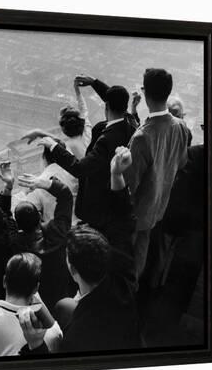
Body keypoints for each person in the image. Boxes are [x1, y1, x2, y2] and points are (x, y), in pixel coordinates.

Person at [18, 148, 141, 354]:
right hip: (131, 336)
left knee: (63, 306)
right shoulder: (125, 278)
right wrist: (116, 174)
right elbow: (123, 220)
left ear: (72, 270)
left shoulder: (79, 334)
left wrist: (35, 344)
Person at [31, 83, 137, 251]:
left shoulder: (104, 139)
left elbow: (80, 169)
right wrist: (94, 83)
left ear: (107, 105)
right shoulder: (130, 124)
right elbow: (102, 104)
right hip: (112, 197)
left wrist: (51, 145)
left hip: (96, 202)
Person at [124, 68, 191, 282]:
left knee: (127, 265)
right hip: (158, 207)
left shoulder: (142, 137)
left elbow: (129, 184)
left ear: (145, 94)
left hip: (136, 214)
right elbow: (181, 162)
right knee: (140, 260)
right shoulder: (181, 127)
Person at [0, 161, 75, 309]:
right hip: (65, 295)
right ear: (39, 217)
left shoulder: (15, 244)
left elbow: (3, 218)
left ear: (17, 225)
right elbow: (65, 196)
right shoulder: (58, 231)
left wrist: (8, 186)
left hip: (38, 304)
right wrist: (43, 183)